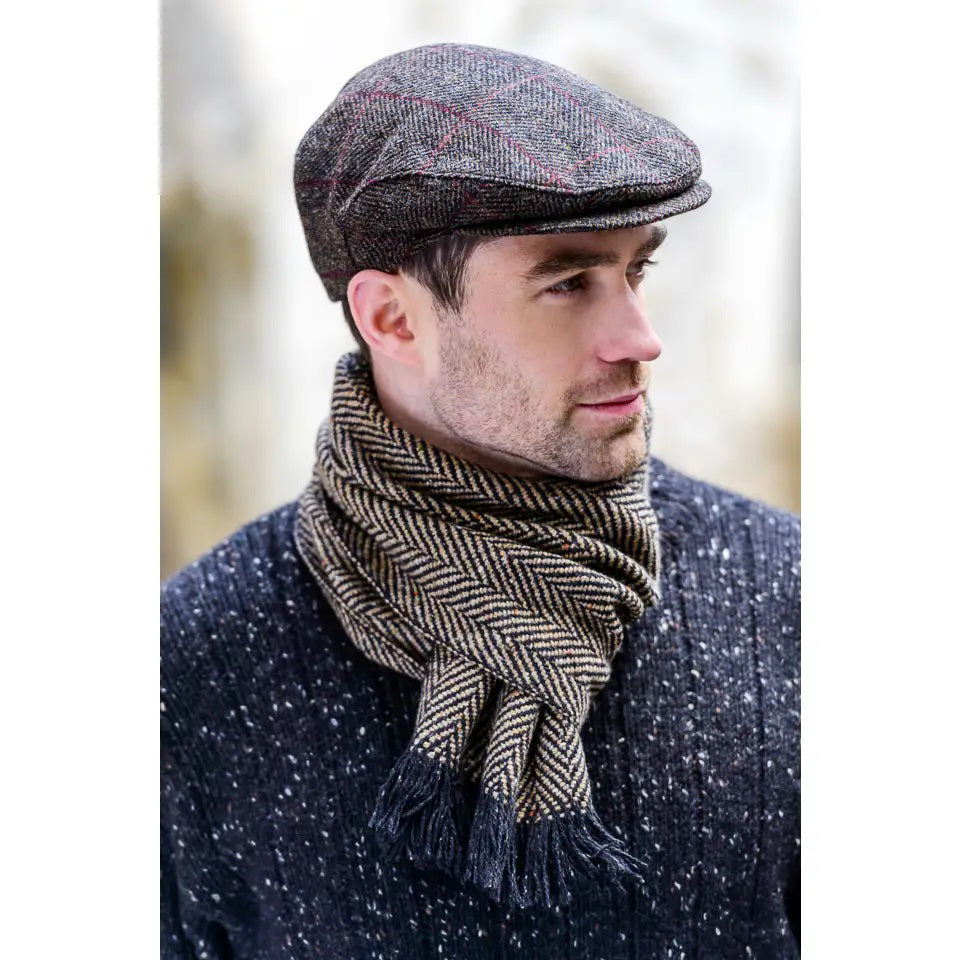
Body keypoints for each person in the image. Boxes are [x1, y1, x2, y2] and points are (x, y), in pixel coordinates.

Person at [161, 42, 800, 959]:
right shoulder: (196, 665)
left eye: (636, 272)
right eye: (569, 282)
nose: (639, 336)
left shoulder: (791, 598)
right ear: (391, 316)